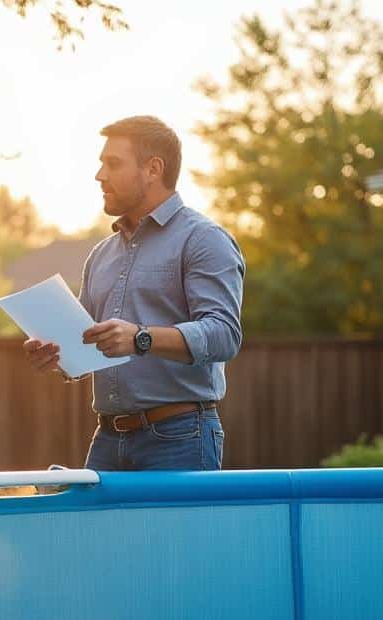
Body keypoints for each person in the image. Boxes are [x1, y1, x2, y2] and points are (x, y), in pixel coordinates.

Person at [24, 115, 245, 471]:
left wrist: (141, 338)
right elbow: (88, 345)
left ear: (153, 169)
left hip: (180, 438)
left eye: (113, 164)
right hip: (108, 439)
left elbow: (224, 335)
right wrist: (58, 356)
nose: (100, 176)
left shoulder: (204, 239)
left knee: (173, 531)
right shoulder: (101, 254)